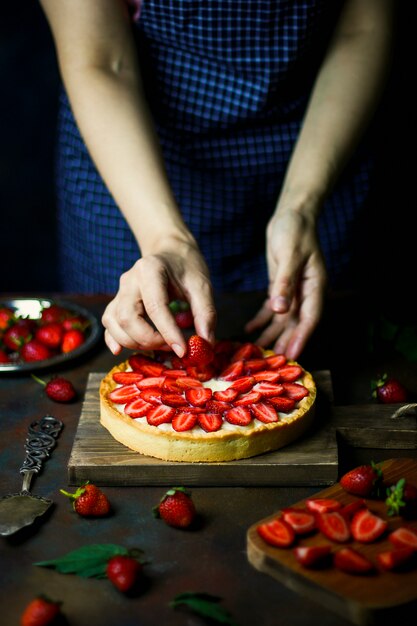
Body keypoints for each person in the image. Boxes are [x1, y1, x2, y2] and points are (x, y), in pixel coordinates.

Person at [39, 0, 394, 360]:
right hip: (136, 164)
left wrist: (301, 205)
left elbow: (361, 29)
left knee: (339, 352)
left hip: (320, 148)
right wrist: (165, 238)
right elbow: (102, 62)